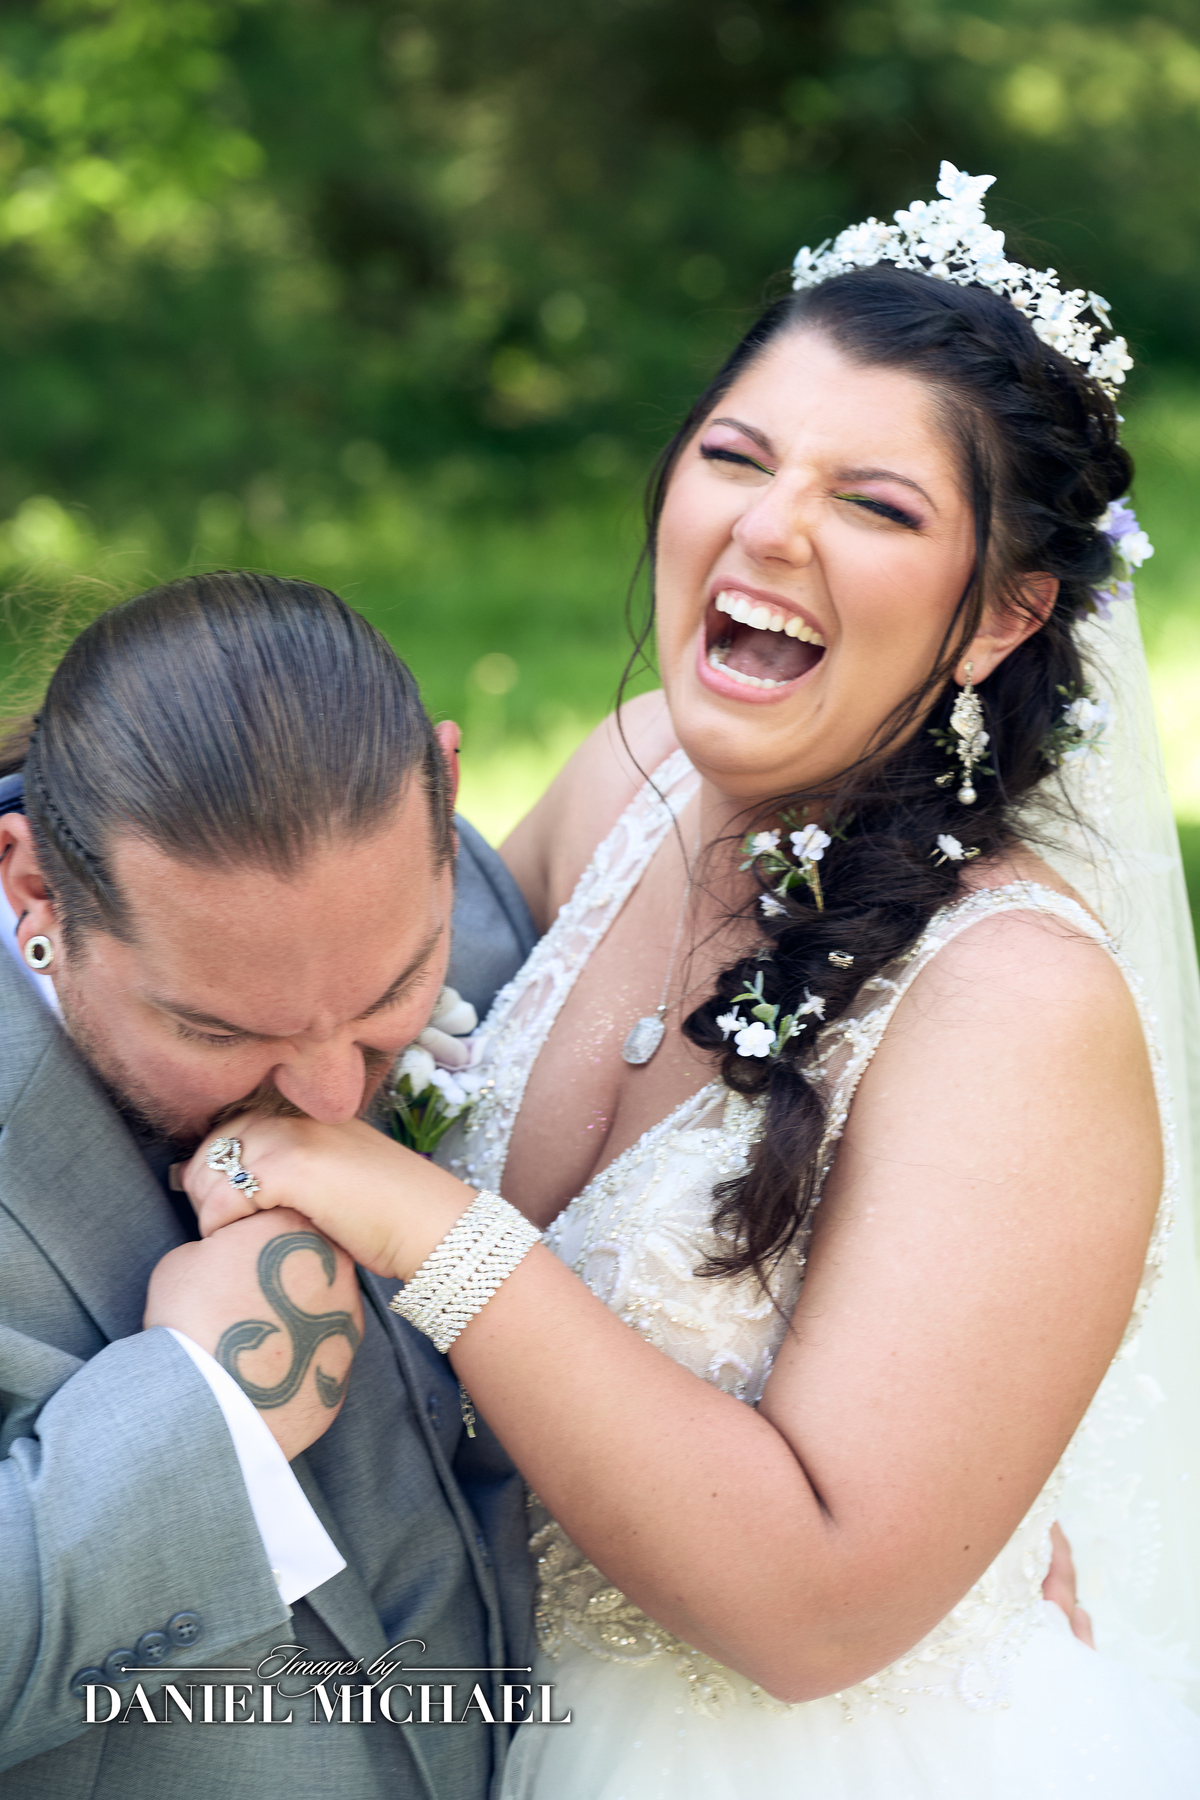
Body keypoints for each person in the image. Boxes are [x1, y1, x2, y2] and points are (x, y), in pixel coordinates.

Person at [180, 167, 1200, 1796]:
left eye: (878, 506)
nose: (767, 527)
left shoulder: (1014, 1006)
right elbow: (358, 1031)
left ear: (1002, 618)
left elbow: (819, 1610)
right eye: (736, 456)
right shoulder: (628, 772)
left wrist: (426, 1228)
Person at [0, 571, 538, 1798]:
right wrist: (207, 1420)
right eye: (217, 1029)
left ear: (446, 793)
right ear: (35, 890)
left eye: (390, 996)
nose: (334, 1096)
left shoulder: (484, 914)